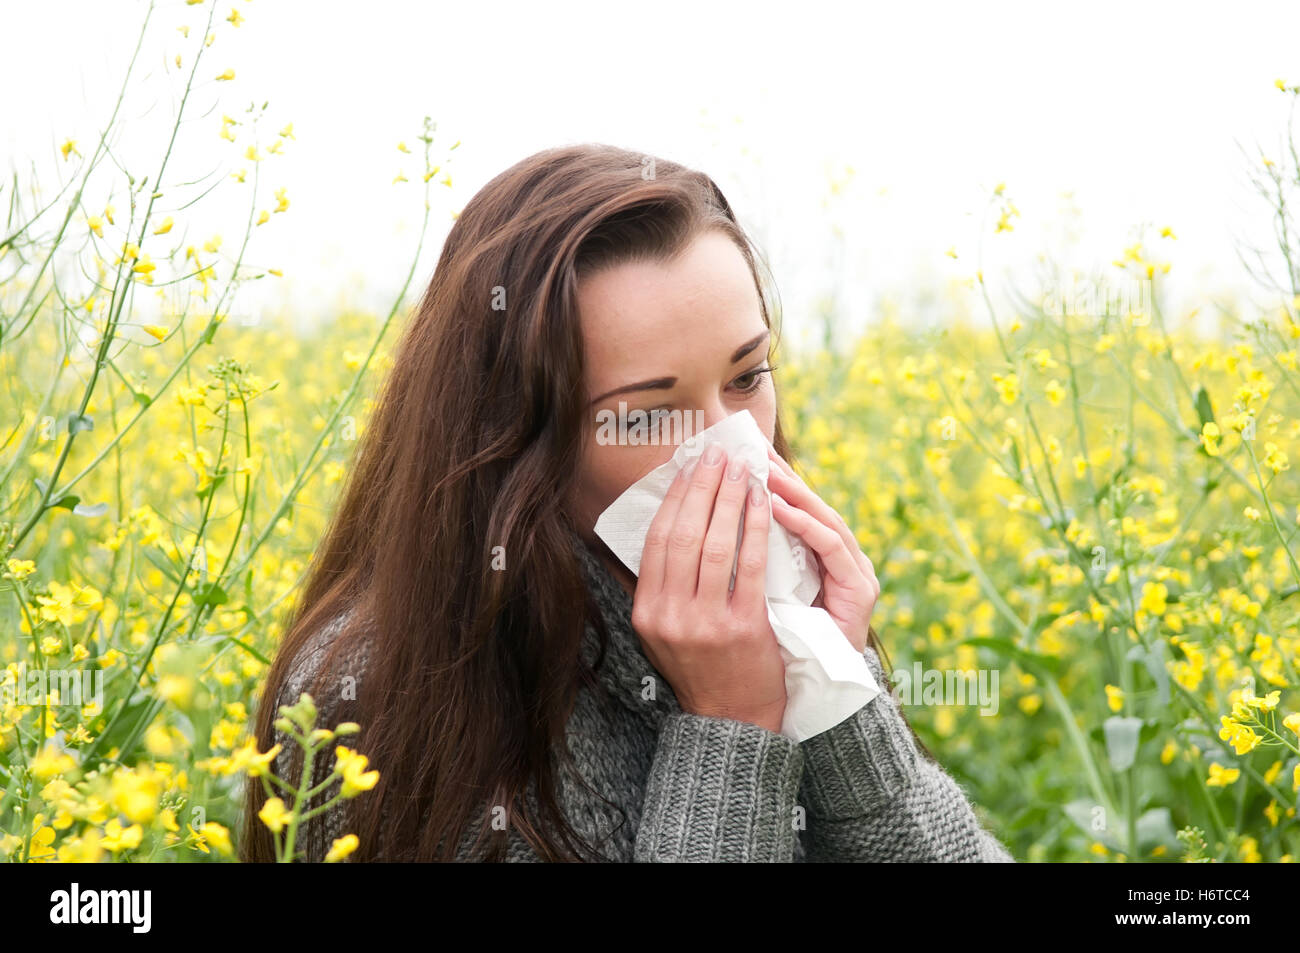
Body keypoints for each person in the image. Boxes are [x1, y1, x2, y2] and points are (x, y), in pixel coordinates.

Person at [240, 143, 1015, 863]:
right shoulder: (381, 698)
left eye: (747, 377)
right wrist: (730, 730)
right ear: (519, 436)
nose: (732, 445)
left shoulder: (780, 612)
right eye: (649, 414)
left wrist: (832, 696)